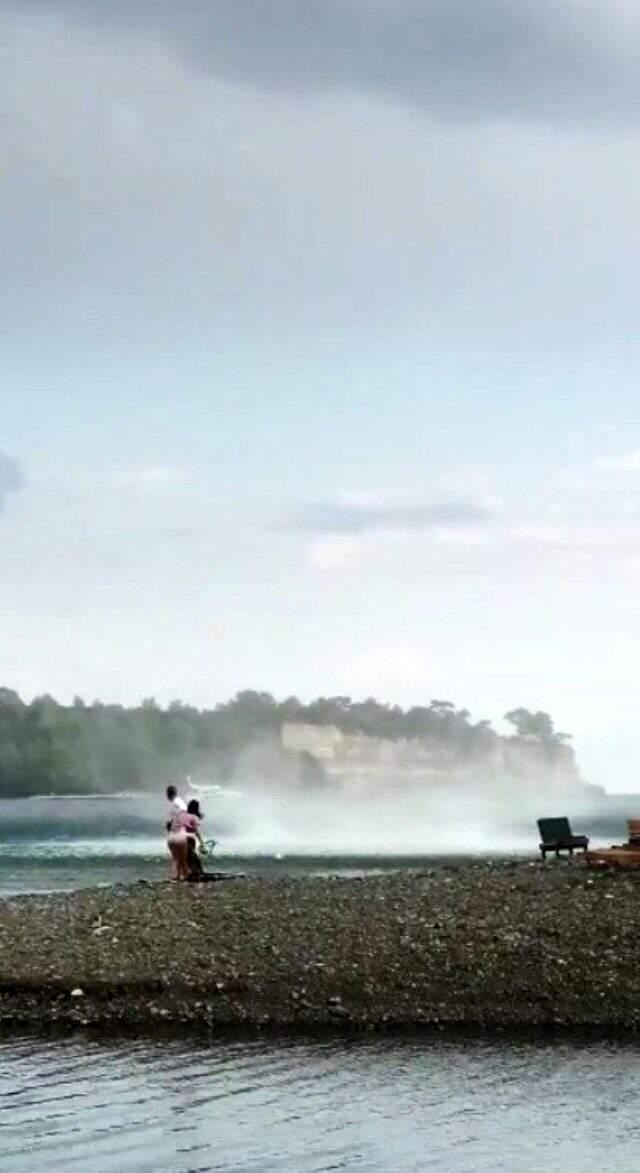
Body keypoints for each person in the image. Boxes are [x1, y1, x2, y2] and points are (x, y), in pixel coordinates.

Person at [166, 784, 188, 881]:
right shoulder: (181, 803)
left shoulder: (172, 805)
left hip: (172, 834)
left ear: (168, 795)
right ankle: (183, 876)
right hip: (180, 832)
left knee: (176, 857)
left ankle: (177, 876)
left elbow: (169, 822)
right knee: (182, 858)